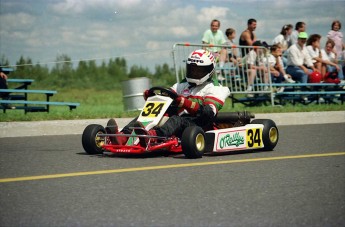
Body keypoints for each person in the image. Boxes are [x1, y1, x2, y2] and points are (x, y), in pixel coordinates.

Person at [107, 49, 230, 146]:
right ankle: (122, 136)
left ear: (209, 71)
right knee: (146, 115)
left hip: (198, 124)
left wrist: (184, 103)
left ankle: (154, 137)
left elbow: (208, 113)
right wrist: (153, 96)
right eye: (192, 69)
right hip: (177, 123)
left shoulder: (216, 89)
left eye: (198, 70)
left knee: (177, 119)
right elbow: (167, 95)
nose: (194, 73)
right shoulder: (182, 85)